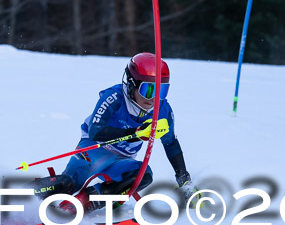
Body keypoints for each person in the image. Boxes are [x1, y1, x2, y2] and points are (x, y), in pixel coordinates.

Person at [30, 52, 200, 213]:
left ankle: (87, 201)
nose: (154, 98)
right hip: (93, 149)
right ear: (132, 83)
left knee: (143, 175)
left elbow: (170, 143)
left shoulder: (163, 109)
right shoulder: (114, 97)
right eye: (148, 90)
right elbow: (96, 131)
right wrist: (136, 132)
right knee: (68, 184)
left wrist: (183, 179)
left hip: (121, 160)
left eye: (161, 91)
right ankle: (28, 194)